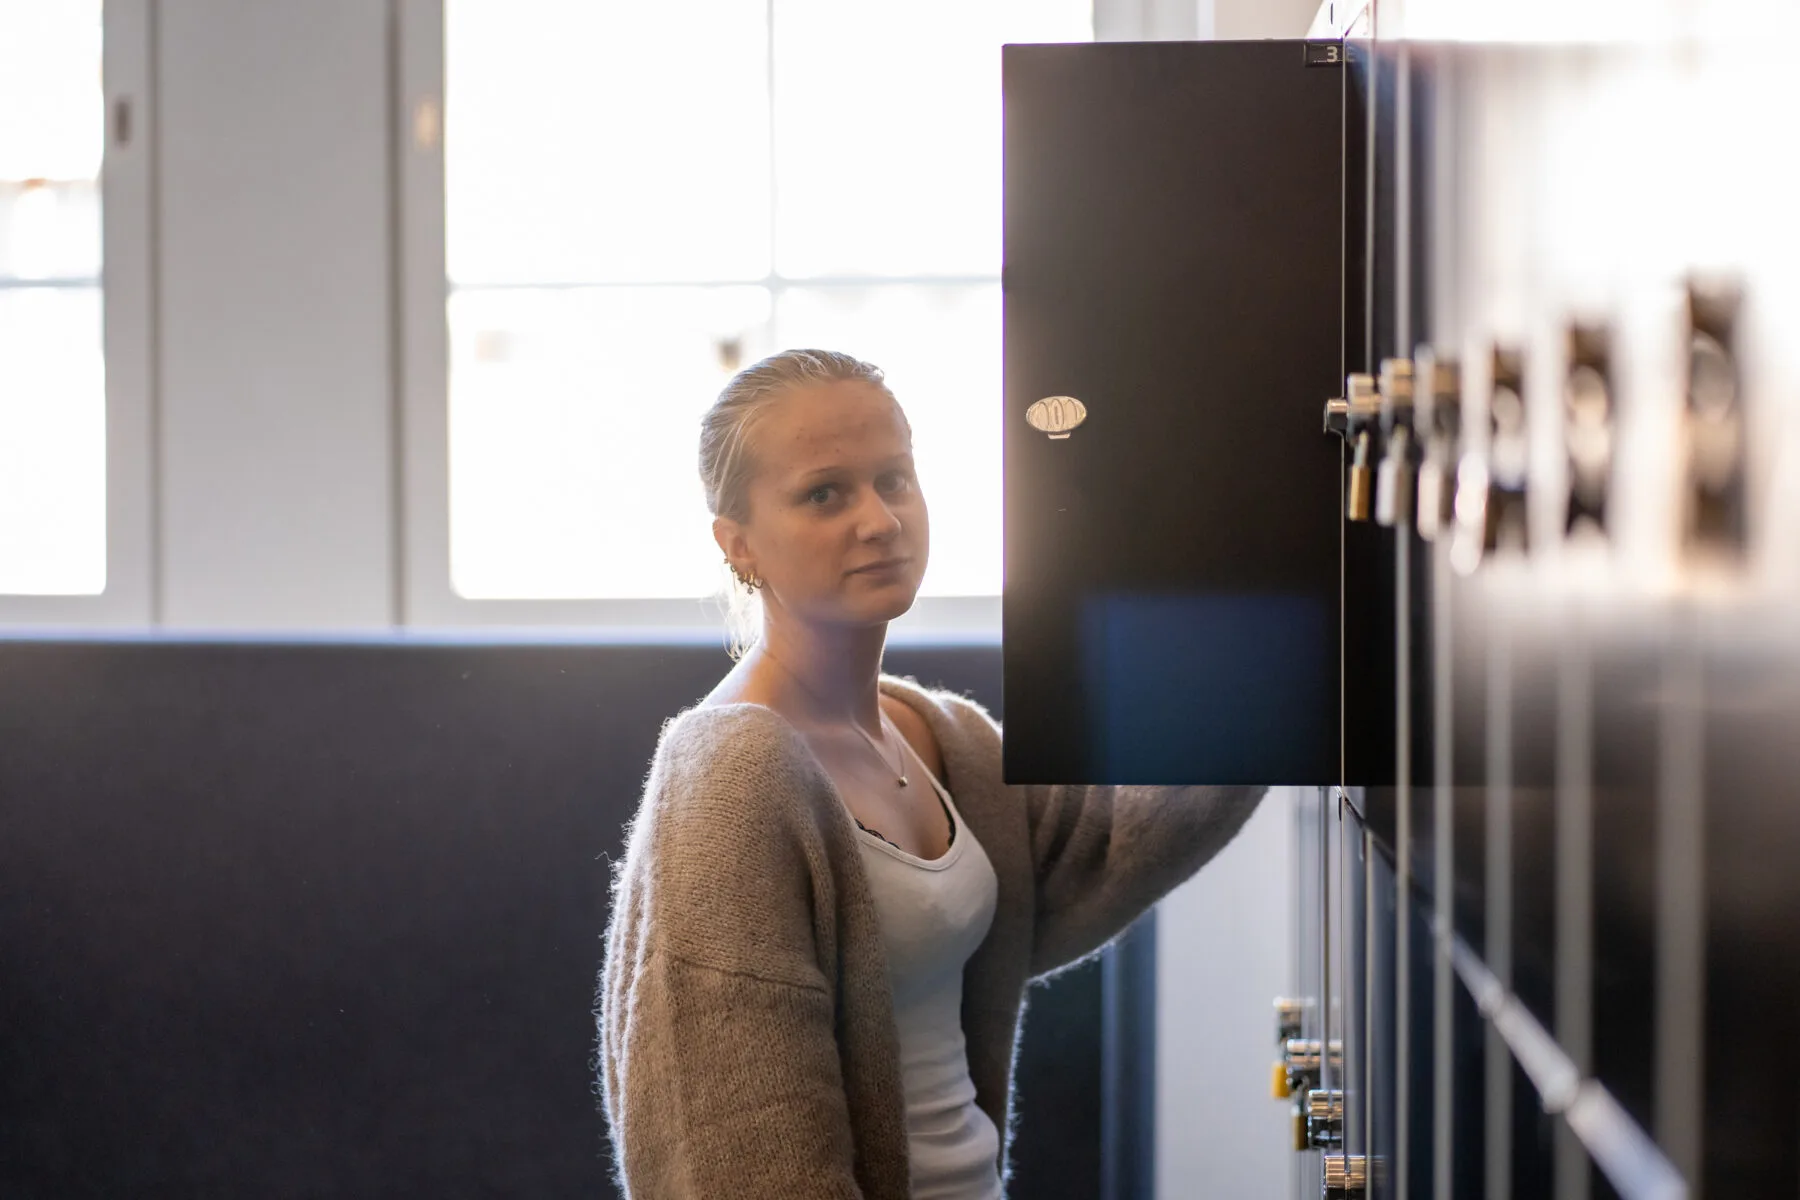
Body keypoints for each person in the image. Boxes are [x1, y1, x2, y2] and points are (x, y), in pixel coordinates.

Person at [597, 349, 1265, 1199]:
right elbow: (740, 1158)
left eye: (895, 479)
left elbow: (1109, 842)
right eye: (825, 494)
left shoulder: (933, 732)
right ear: (739, 546)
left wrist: (1285, 662)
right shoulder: (732, 776)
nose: (879, 520)